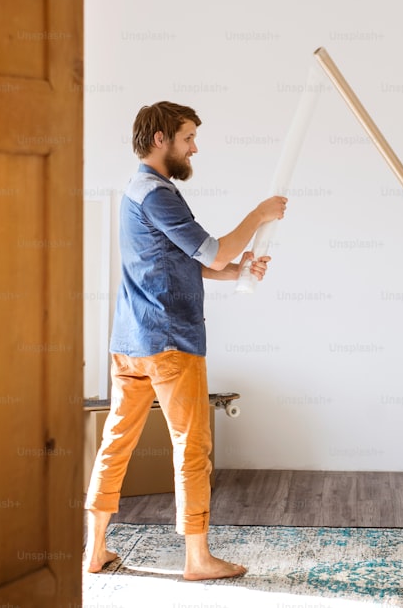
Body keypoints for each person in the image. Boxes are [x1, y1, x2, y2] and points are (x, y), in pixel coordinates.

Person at [84, 101, 287, 580]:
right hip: (171, 341)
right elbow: (214, 251)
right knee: (192, 446)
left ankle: (94, 550)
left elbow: (187, 263)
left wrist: (237, 270)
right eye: (188, 138)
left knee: (116, 443)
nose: (194, 148)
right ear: (161, 139)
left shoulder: (137, 191)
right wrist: (259, 214)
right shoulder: (158, 193)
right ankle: (198, 559)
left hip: (131, 342)